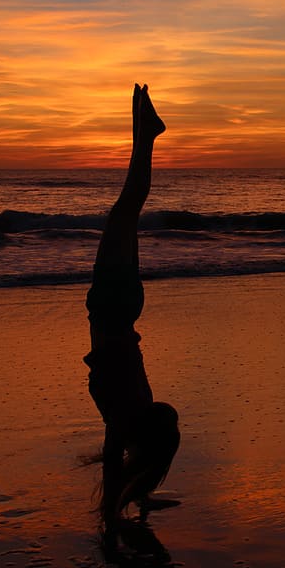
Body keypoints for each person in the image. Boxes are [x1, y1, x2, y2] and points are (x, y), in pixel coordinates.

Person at [83, 84, 180, 532]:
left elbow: (114, 458)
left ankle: (145, 134)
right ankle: (147, 136)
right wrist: (114, 510)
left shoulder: (128, 413)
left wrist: (133, 498)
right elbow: (113, 460)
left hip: (122, 307)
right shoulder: (125, 414)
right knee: (126, 208)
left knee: (127, 210)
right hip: (112, 306)